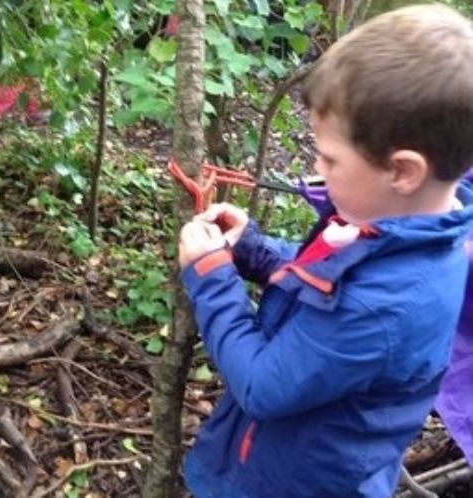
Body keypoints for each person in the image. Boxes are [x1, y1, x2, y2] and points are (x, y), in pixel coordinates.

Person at [177, 4, 473, 497]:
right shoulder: (409, 229)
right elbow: (332, 278)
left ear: (403, 171)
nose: (316, 165)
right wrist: (254, 252)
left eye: (329, 157)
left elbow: (262, 386)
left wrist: (211, 279)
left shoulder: (386, 305)